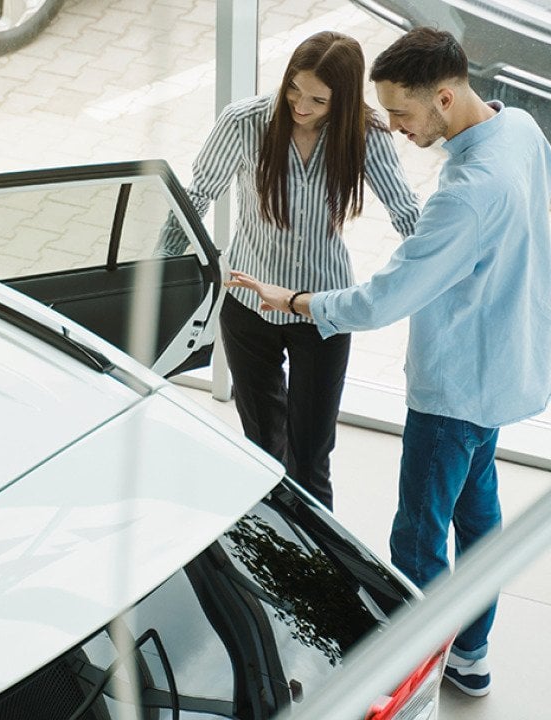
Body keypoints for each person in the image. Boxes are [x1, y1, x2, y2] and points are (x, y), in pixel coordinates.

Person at [228, 27, 551, 698]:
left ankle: (413, 670)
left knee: (417, 540)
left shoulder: (463, 195)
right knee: (479, 519)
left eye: (401, 114)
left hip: (455, 386)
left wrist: (293, 298)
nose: (395, 129)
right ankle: (470, 650)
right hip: (504, 367)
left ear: (442, 96)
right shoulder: (518, 129)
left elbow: (381, 301)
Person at [159, 30, 419, 509]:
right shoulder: (244, 123)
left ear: (342, 100)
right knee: (261, 450)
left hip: (323, 311)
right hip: (248, 304)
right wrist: (161, 274)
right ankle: (269, 555)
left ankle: (321, 570)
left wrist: (436, 272)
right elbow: (195, 198)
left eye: (318, 99)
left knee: (311, 457)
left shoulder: (365, 133)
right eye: (293, 90)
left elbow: (404, 210)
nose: (300, 105)